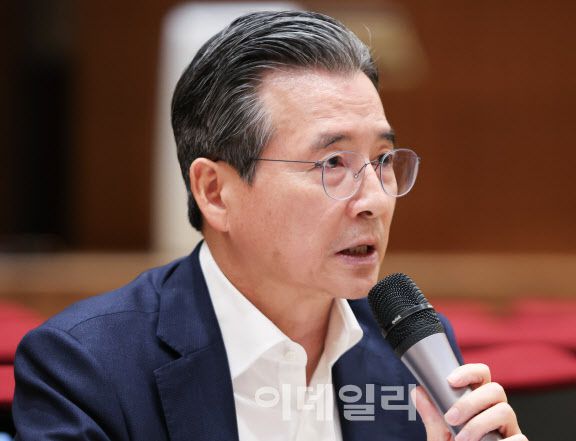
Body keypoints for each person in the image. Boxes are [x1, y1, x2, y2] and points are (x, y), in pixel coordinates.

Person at [13, 11, 527, 441]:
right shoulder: (87, 368)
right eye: (332, 163)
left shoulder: (412, 356)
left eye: (383, 159)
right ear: (215, 192)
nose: (375, 199)